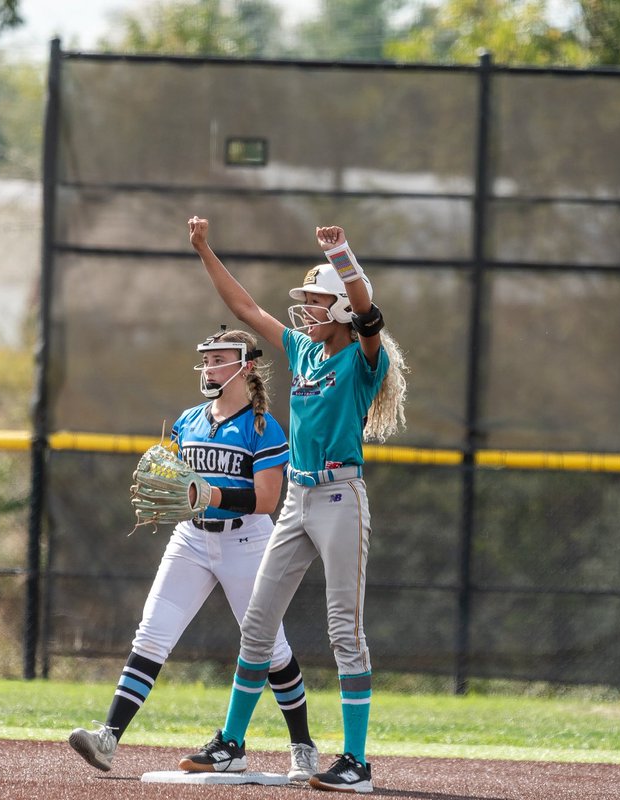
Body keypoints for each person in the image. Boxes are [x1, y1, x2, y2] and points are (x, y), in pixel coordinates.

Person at [179, 218, 408, 794]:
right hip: (299, 499)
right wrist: (205, 248)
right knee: (258, 624)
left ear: (341, 309)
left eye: (316, 302)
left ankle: (355, 763)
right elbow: (245, 308)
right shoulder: (304, 349)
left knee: (344, 631)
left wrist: (342, 255)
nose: (306, 310)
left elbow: (367, 311)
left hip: (340, 497)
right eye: (306, 302)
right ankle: (231, 745)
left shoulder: (362, 357)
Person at [68, 328, 320, 782]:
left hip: (247, 541)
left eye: (220, 359)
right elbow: (178, 481)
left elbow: (266, 500)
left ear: (246, 365)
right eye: (207, 359)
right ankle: (108, 737)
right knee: (151, 635)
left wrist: (211, 493)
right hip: (191, 538)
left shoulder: (264, 427)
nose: (209, 367)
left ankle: (302, 745)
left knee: (270, 647)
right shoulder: (189, 420)